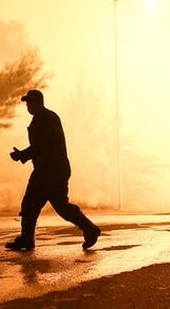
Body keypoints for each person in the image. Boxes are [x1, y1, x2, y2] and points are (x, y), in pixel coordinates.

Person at [6, 89, 100, 252]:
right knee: (31, 205)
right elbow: (42, 146)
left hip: (52, 171)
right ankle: (27, 239)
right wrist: (24, 155)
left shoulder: (46, 118)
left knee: (58, 207)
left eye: (31, 102)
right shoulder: (42, 118)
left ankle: (90, 229)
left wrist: (22, 155)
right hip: (46, 170)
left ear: (39, 102)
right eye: (27, 102)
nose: (28, 105)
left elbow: (44, 145)